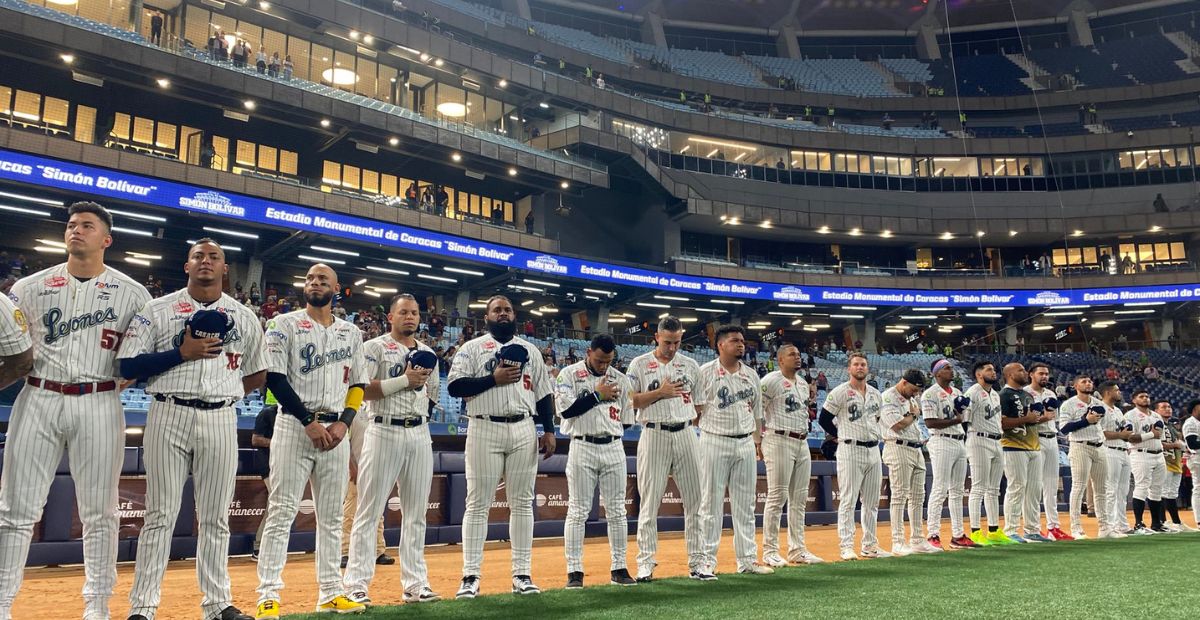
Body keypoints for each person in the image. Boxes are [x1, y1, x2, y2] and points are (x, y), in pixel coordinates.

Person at [0, 202, 147, 620]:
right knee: (15, 509)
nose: (75, 230)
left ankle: (97, 608)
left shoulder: (133, 293)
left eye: (86, 225)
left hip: (99, 401)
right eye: (70, 225)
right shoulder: (29, 287)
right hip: (39, 396)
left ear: (106, 239)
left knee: (99, 512)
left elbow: (138, 359)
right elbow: (11, 347)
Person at [119, 239, 266, 620]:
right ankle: (143, 607)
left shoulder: (244, 316)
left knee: (216, 516)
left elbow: (258, 371)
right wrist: (181, 354)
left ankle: (217, 604)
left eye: (214, 256)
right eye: (198, 256)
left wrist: (225, 391)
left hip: (220, 415)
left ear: (224, 269)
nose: (206, 261)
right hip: (169, 411)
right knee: (160, 515)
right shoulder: (157, 308)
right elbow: (128, 364)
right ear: (187, 266)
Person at [255, 263, 369, 617]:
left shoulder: (351, 333)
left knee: (332, 517)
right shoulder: (283, 325)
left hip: (335, 431)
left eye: (323, 279)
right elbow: (273, 378)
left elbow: (358, 386)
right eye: (309, 278)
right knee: (281, 512)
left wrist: (345, 425)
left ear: (338, 288)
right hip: (293, 427)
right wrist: (307, 421)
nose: (315, 282)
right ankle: (268, 595)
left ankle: (331, 591)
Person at [447, 296, 556, 598]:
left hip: (523, 426)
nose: (503, 313)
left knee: (522, 503)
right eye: (497, 310)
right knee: (478, 504)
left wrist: (548, 429)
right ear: (487, 317)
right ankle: (470, 576)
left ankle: (522, 574)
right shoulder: (471, 348)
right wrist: (491, 380)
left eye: (508, 309)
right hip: (484, 425)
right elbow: (455, 386)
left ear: (514, 315)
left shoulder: (531, 350)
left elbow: (544, 394)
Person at [343, 294, 440, 605]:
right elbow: (361, 388)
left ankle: (416, 585)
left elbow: (432, 393)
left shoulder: (428, 352)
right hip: (383, 429)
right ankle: (356, 584)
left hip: (419, 432)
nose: (409, 317)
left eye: (414, 312)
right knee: (368, 511)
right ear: (391, 317)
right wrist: (403, 380)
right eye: (403, 312)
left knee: (416, 514)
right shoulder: (374, 347)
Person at [556, 334, 637, 589]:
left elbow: (626, 420)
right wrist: (597, 395)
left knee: (616, 511)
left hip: (613, 445)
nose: (604, 365)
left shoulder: (620, 379)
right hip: (582, 444)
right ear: (588, 352)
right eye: (600, 360)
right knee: (578, 511)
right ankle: (574, 571)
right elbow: (567, 410)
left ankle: (619, 567)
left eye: (608, 361)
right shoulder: (568, 374)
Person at [627, 316, 703, 582]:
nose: (672, 347)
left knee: (696, 502)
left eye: (677, 342)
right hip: (654, 432)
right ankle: (645, 563)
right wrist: (660, 392)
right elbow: (630, 401)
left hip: (685, 432)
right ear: (657, 337)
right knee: (649, 504)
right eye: (668, 342)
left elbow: (700, 404)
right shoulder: (640, 364)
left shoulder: (691, 365)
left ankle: (698, 562)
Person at [693, 325, 772, 576]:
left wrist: (757, 443)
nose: (741, 344)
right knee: (710, 504)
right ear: (720, 345)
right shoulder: (704, 373)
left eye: (742, 341)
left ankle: (747, 560)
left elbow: (757, 414)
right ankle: (706, 561)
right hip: (714, 440)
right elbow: (695, 412)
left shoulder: (751, 375)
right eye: (735, 340)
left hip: (745, 442)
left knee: (746, 505)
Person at [818, 353, 887, 560]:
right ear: (849, 369)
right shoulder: (840, 392)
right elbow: (824, 419)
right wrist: (841, 435)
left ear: (868, 368)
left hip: (874, 449)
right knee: (848, 500)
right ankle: (846, 546)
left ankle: (870, 544)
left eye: (863, 364)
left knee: (872, 502)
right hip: (850, 449)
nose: (860, 367)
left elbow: (876, 418)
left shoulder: (876, 394)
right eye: (856, 364)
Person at [759, 344, 823, 567]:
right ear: (780, 360)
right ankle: (770, 550)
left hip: (801, 441)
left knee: (799, 499)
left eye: (798, 354)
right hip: (778, 438)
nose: (797, 357)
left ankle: (797, 549)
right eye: (792, 355)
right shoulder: (770, 380)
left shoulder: (803, 384)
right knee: (777, 497)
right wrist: (758, 441)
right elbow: (758, 411)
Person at [881, 369, 937, 556]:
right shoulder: (888, 397)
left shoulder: (910, 399)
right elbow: (897, 425)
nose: (916, 393)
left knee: (918, 496)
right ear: (904, 382)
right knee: (899, 496)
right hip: (898, 447)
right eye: (914, 389)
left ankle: (918, 539)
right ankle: (898, 541)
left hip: (916, 448)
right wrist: (913, 415)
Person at [921, 360, 976, 550]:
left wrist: (961, 419)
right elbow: (929, 422)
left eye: (951, 367)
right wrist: (955, 419)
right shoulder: (930, 394)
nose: (951, 370)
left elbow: (965, 420)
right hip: (941, 440)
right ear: (936, 373)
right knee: (940, 488)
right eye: (946, 368)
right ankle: (932, 534)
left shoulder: (958, 393)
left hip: (960, 440)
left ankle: (958, 534)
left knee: (957, 490)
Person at [1057, 377, 1119, 539]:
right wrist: (1086, 421)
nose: (1088, 383)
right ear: (1075, 386)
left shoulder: (1099, 404)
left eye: (1090, 381)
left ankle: (1105, 528)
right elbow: (1063, 428)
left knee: (1101, 489)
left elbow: (1104, 426)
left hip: (1099, 446)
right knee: (1078, 487)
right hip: (1080, 446)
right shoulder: (1068, 404)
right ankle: (1076, 528)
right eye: (1084, 381)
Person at [963, 362, 1013, 546]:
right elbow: (964, 420)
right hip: (978, 439)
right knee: (978, 487)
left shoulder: (995, 394)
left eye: (993, 369)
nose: (993, 372)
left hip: (996, 440)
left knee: (994, 489)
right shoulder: (972, 392)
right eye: (988, 370)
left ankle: (993, 530)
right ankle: (975, 531)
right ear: (978, 374)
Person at [999, 362, 1043, 543]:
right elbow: (1002, 423)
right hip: (1013, 446)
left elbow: (1030, 420)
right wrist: (1027, 418)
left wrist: (1037, 418)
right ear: (1009, 374)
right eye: (1021, 370)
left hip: (1033, 445)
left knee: (1034, 490)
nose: (1025, 373)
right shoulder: (1003, 395)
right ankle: (1010, 530)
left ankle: (1032, 529)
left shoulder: (1027, 395)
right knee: (1016, 488)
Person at [1023, 363, 1064, 542]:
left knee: (1051, 485)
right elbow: (1023, 419)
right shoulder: (1024, 393)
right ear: (1031, 374)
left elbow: (1055, 418)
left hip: (1052, 438)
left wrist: (1048, 419)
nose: (1045, 377)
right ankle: (1032, 527)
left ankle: (1053, 527)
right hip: (1034, 438)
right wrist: (1043, 418)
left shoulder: (1050, 394)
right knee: (1033, 486)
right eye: (1041, 374)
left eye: (1047, 374)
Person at [1126, 391, 1167, 534]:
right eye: (1141, 397)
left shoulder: (1156, 416)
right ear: (1133, 400)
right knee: (1142, 487)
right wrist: (1150, 434)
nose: (1145, 399)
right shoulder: (1130, 416)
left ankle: (1156, 523)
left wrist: (1154, 436)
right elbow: (1130, 437)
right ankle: (1139, 524)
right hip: (1141, 454)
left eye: (1147, 396)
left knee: (1156, 489)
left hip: (1158, 453)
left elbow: (1159, 436)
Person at [1156, 401, 1194, 531]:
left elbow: (1178, 443)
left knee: (1171, 494)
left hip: (1175, 462)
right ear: (1156, 410)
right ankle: (1162, 521)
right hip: (1164, 461)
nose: (1168, 409)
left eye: (1169, 407)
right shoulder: (1156, 423)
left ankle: (1176, 522)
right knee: (1163, 493)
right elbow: (1155, 443)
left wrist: (1183, 448)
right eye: (1163, 407)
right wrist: (1176, 445)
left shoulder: (1171, 425)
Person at [250, 393, 278, 560]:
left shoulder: (290, 415)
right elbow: (256, 439)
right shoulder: (266, 413)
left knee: (274, 506)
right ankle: (259, 546)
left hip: (281, 465)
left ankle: (263, 546)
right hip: (267, 464)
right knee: (276, 505)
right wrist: (278, 442)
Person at [1183, 400, 1200, 529]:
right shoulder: (1191, 423)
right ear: (1195, 409)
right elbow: (1192, 444)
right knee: (1198, 489)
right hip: (1196, 458)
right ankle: (1199, 520)